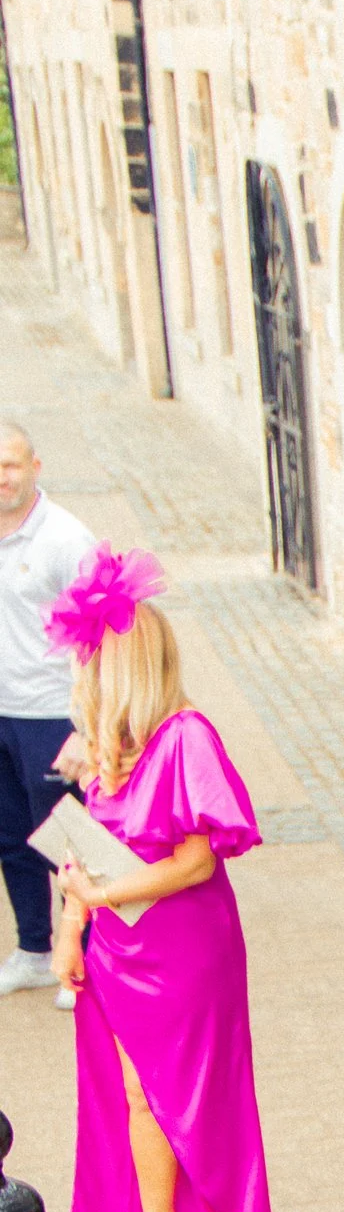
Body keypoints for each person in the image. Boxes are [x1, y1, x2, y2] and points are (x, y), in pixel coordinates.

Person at [46, 552, 287, 1212]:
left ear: (124, 667)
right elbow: (78, 849)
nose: (81, 677)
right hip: (118, 947)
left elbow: (192, 862)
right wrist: (68, 929)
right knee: (139, 1095)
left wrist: (103, 891)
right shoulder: (95, 751)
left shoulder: (187, 737)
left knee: (205, 1091)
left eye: (91, 663)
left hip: (190, 945)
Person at [0, 418, 95, 998]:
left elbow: (100, 637)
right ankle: (34, 949)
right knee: (10, 837)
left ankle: (80, 957)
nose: (0, 479)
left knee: (66, 842)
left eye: (9, 466)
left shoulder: (66, 540)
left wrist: (85, 728)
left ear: (35, 468)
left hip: (49, 716)